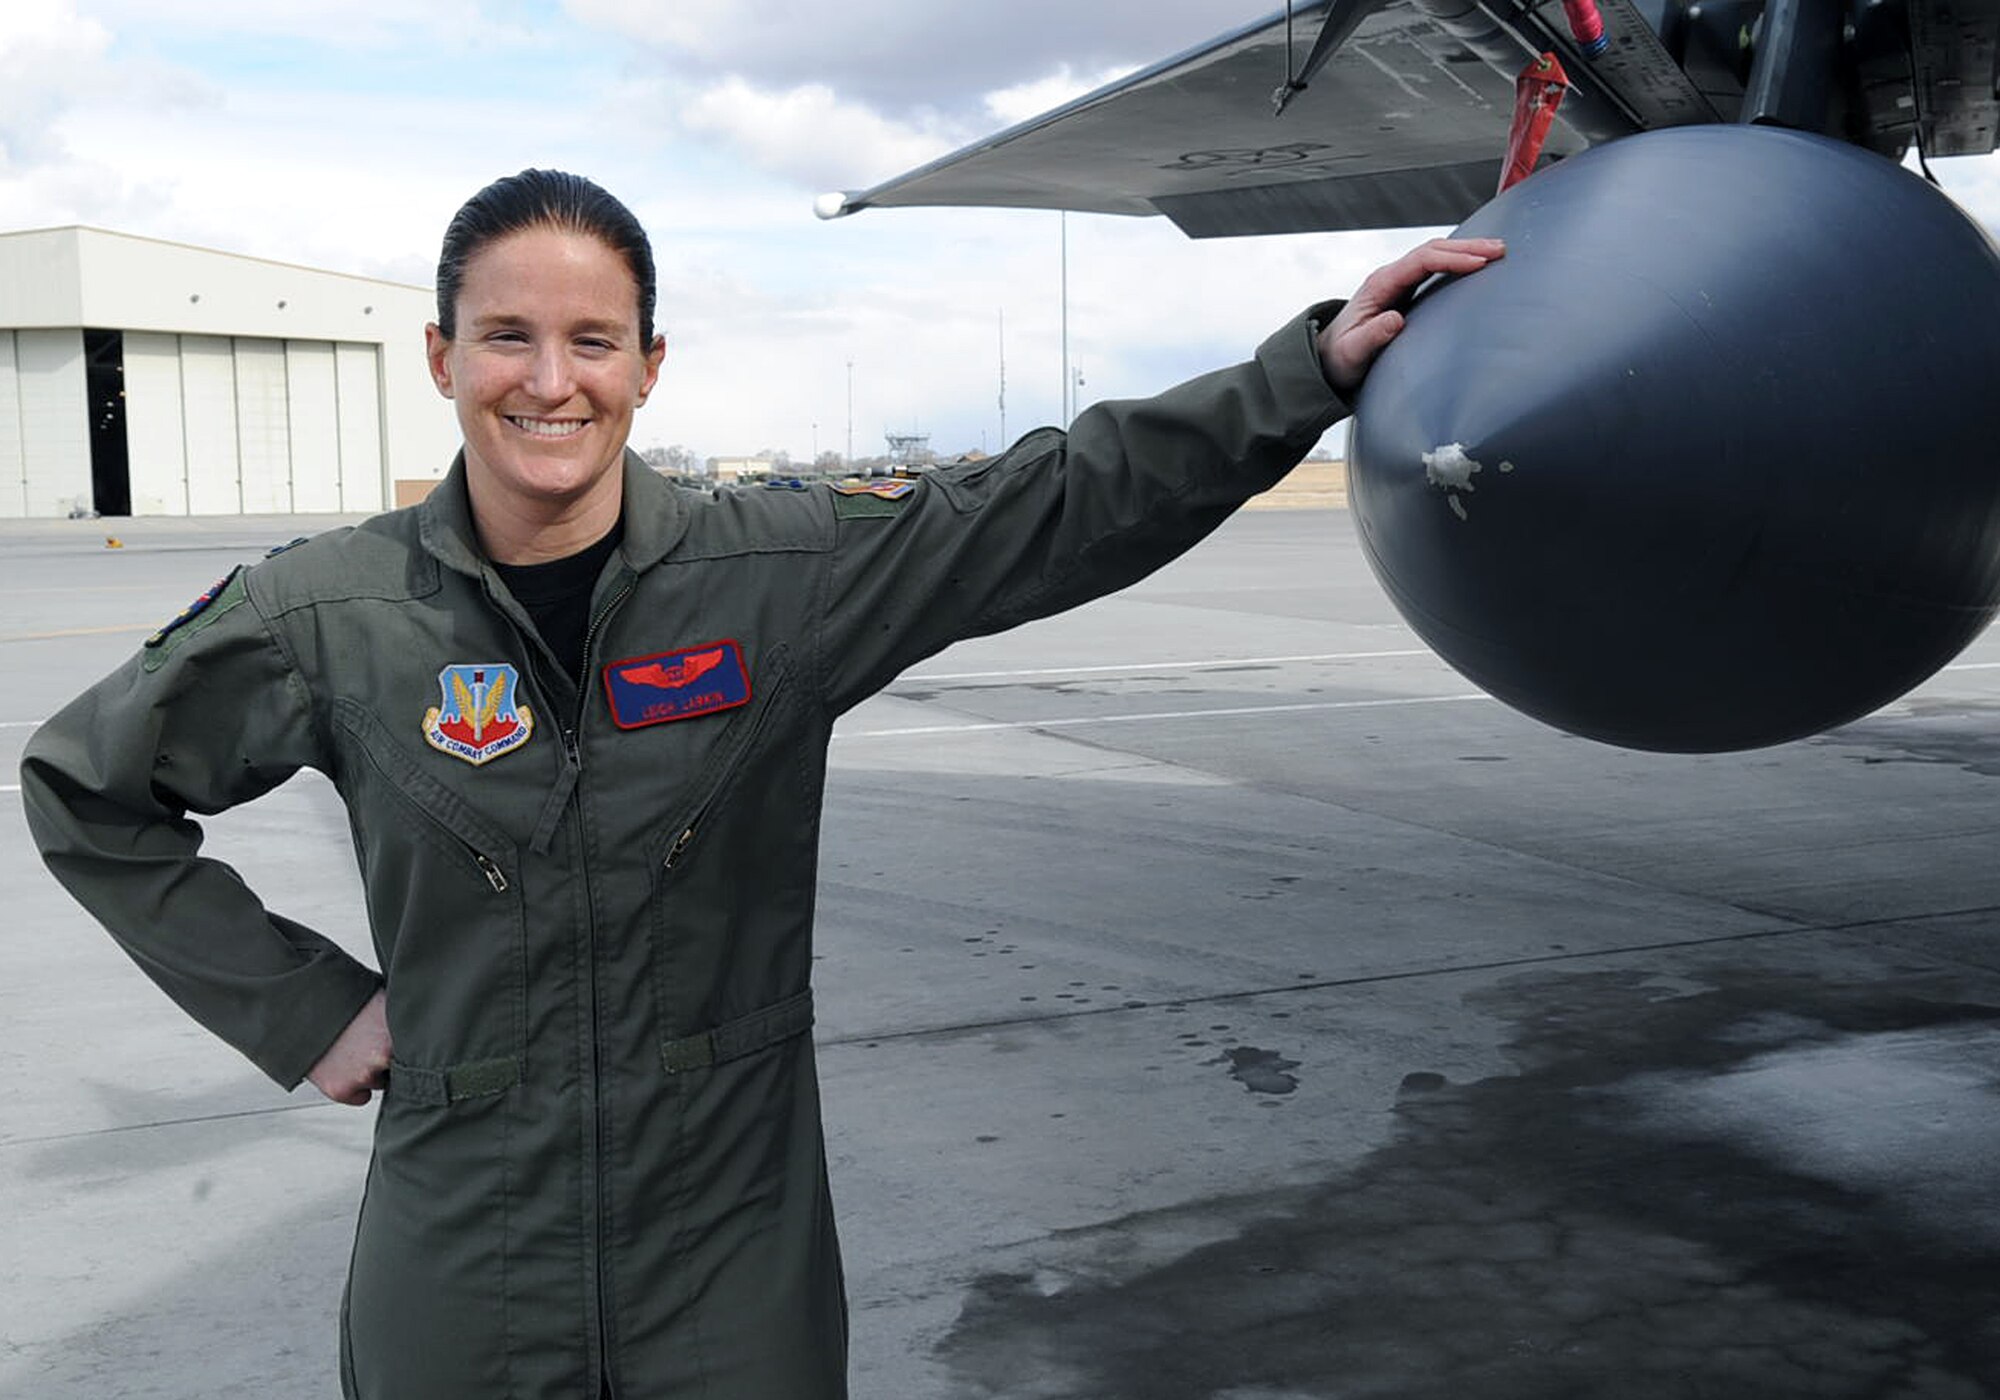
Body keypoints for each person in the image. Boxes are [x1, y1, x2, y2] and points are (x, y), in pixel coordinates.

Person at [19, 168, 1503, 1400]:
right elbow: (87, 790)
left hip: (728, 1257)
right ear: (442, 358)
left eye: (595, 341)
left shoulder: (779, 573)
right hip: (462, 1257)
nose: (551, 382)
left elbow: (1056, 506)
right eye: (508, 338)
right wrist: (300, 1005)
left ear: (649, 367)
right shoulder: (324, 611)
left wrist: (1300, 373)